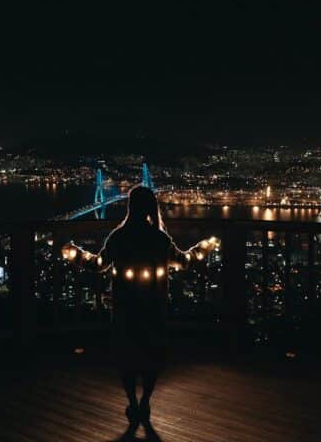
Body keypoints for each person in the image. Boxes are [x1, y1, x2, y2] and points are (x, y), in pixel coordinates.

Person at [62, 185, 219, 440]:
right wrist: (204, 247)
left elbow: (98, 265)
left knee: (127, 356)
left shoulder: (118, 237)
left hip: (125, 307)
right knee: (152, 354)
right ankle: (145, 400)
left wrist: (74, 253)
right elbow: (184, 261)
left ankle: (132, 402)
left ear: (129, 207)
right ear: (151, 208)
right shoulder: (160, 239)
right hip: (153, 307)